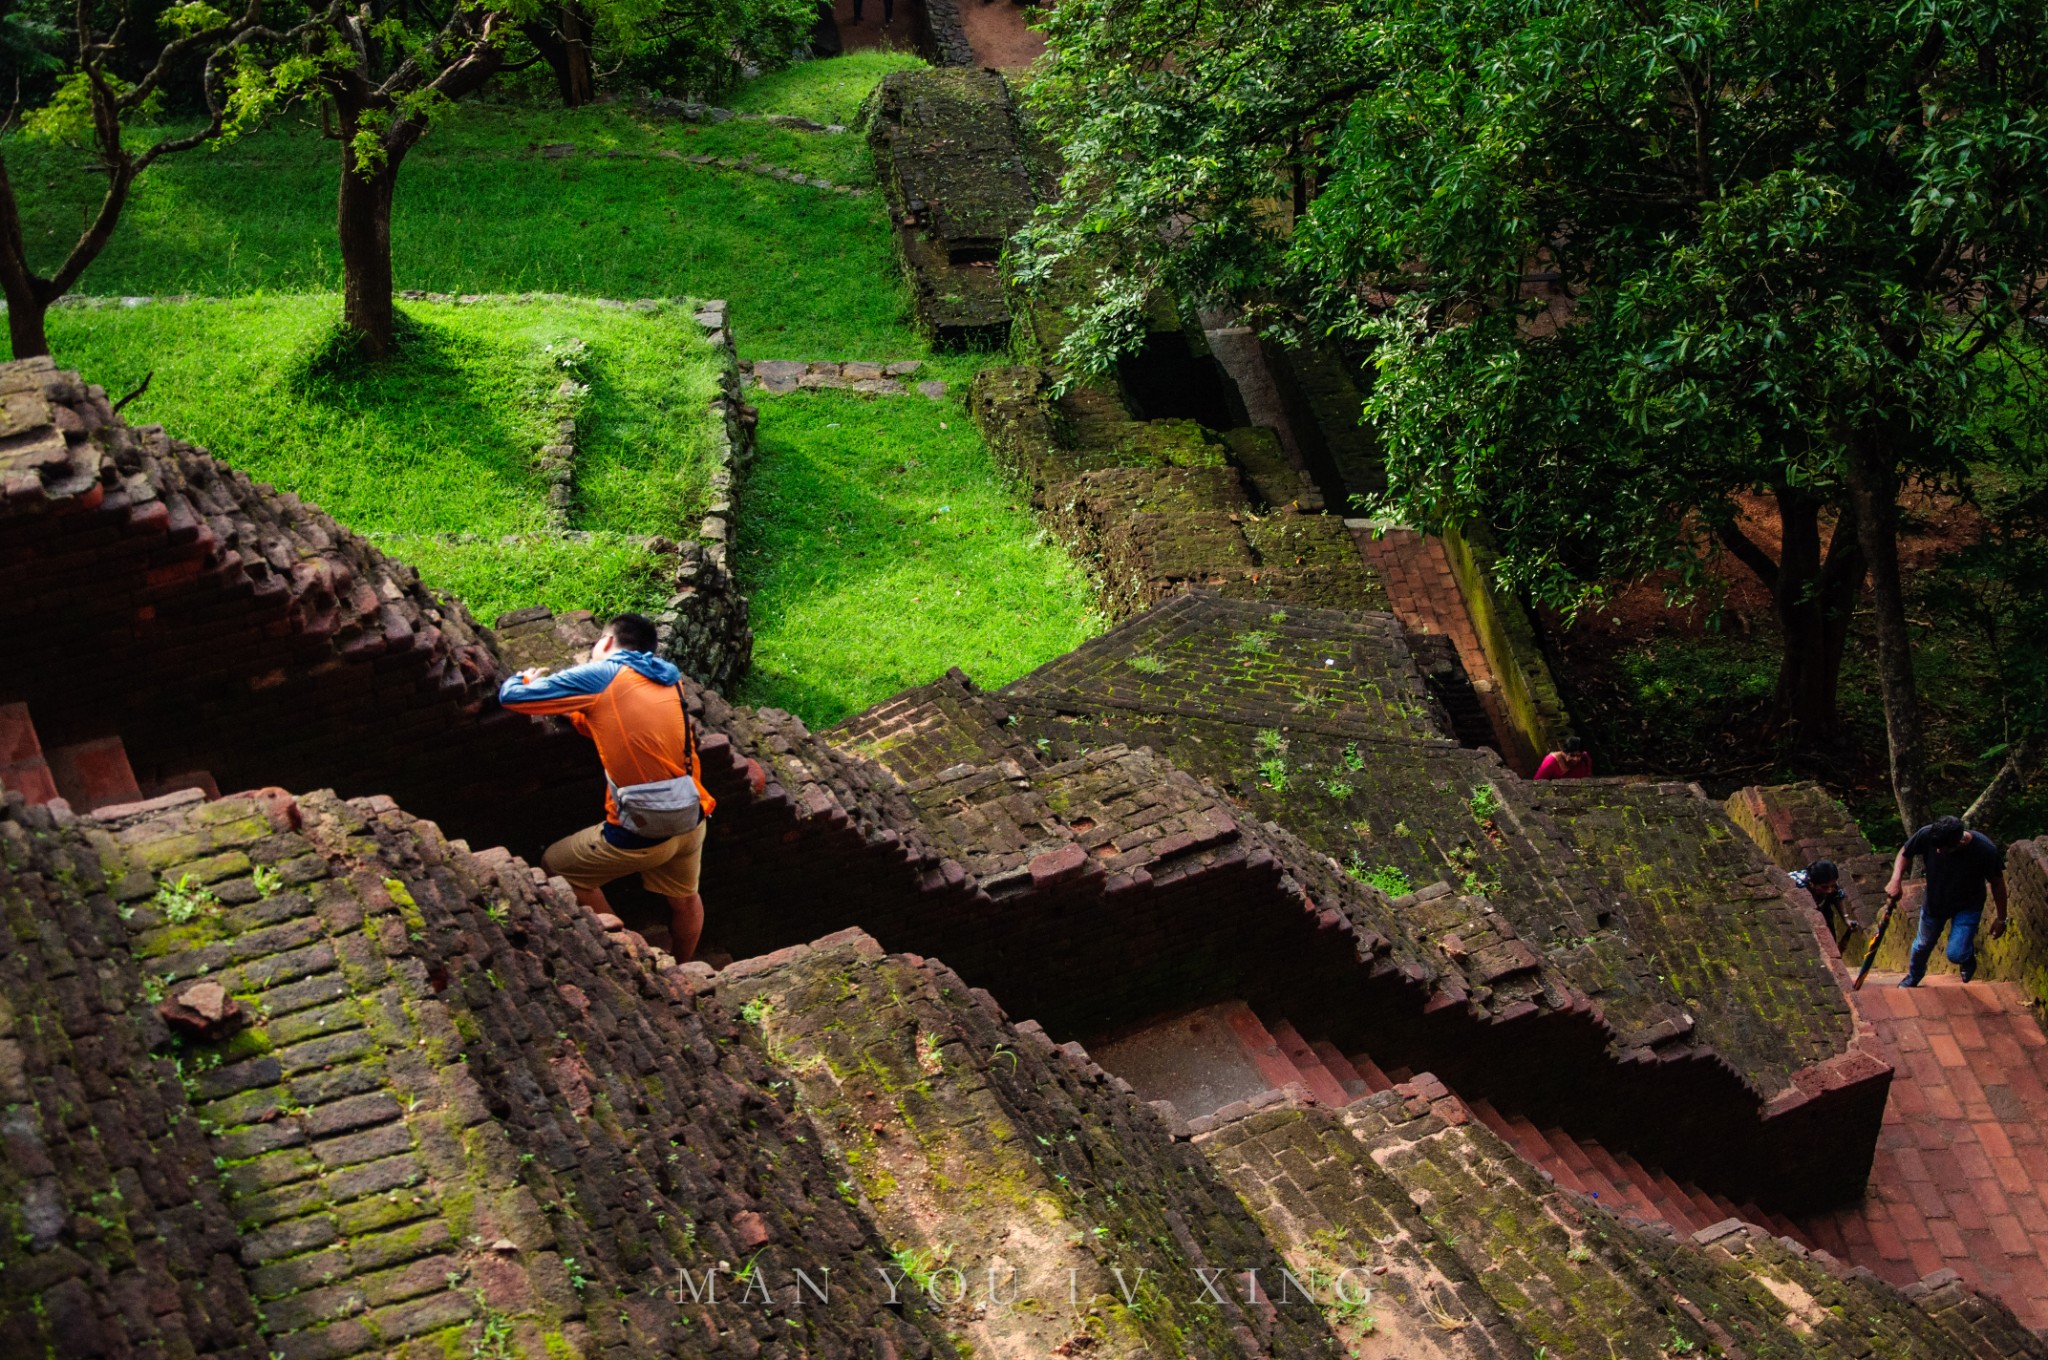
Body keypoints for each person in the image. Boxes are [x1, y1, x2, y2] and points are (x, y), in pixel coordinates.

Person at [498, 613, 716, 962]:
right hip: (692, 817)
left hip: (643, 830)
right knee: (685, 899)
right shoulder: (667, 679)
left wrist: (523, 677)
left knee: (556, 866)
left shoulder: (604, 673)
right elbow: (617, 724)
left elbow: (514, 698)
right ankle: (687, 964)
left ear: (607, 642)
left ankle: (635, 955)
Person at [1885, 814, 2008, 987]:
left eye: (1943, 849)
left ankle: (1966, 957)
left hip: (1968, 907)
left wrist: (2001, 918)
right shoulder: (1927, 834)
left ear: (1960, 842)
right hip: (1935, 903)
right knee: (1921, 945)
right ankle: (1914, 976)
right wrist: (1896, 879)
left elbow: (1997, 884)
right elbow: (1905, 853)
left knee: (1955, 954)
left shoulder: (1985, 850)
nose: (1937, 852)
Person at [1788, 858, 1854, 946]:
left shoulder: (1830, 884)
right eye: (1824, 887)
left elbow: (1838, 895)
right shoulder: (1796, 885)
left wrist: (1846, 919)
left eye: (1832, 886)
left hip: (1822, 911)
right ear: (1811, 883)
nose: (1830, 890)